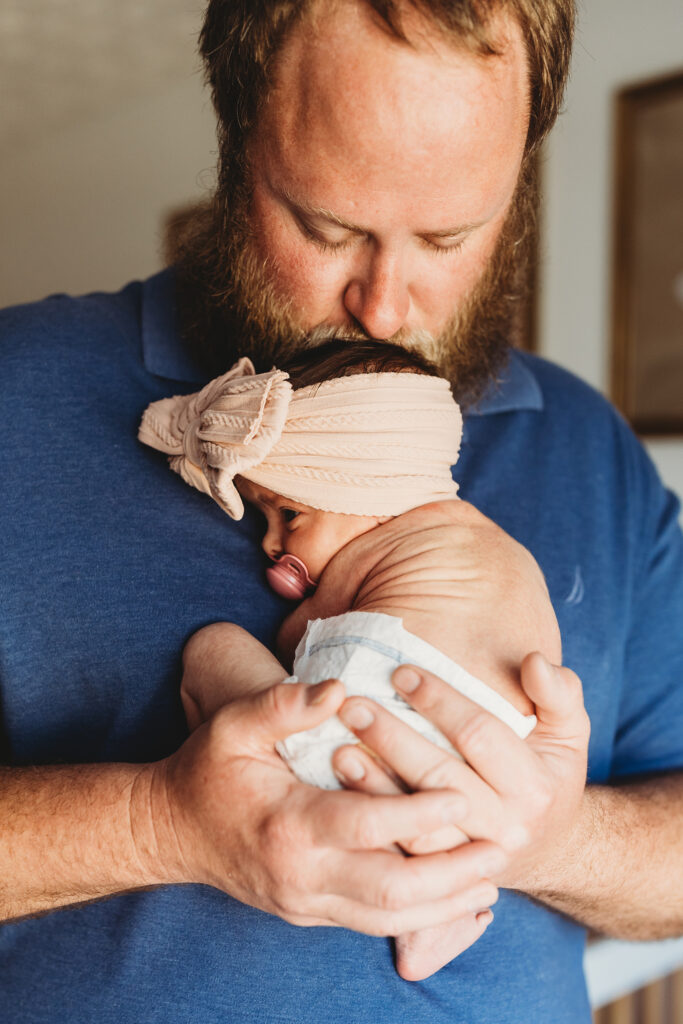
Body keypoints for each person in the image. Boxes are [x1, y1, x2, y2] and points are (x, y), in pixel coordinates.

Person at [1, 1, 681, 1021]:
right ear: (234, 138)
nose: (385, 304)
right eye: (327, 227)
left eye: (451, 235)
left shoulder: (583, 446)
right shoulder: (20, 395)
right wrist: (156, 822)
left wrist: (551, 836)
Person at [139, 340, 553, 979]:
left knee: (214, 647)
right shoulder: (497, 549)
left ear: (367, 487)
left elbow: (299, 640)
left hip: (356, 741)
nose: (272, 544)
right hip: (481, 777)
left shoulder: (375, 546)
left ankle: (231, 755)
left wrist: (301, 605)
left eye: (289, 515)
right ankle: (435, 912)